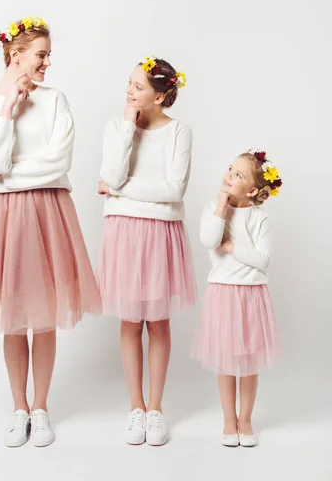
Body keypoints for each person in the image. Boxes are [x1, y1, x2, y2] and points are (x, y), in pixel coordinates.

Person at [0, 17, 101, 447]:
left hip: (48, 214)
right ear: (16, 55)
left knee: (44, 316)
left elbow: (59, 164)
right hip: (3, 220)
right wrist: (6, 111)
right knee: (14, 318)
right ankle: (20, 408)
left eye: (49, 55)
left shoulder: (56, 100)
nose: (47, 63)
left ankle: (41, 406)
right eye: (41, 55)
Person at [97, 56, 196, 446]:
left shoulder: (179, 132)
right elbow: (115, 170)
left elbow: (173, 191)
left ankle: (156, 408)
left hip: (160, 234)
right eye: (129, 83)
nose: (129, 91)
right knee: (130, 320)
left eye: (138, 87)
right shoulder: (116, 127)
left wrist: (118, 190)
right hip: (124, 230)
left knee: (157, 321)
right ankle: (135, 407)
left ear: (160, 96)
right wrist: (126, 128)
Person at [191, 150, 281, 447]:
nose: (229, 175)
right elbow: (209, 239)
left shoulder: (258, 218)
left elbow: (263, 259)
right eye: (230, 169)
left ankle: (246, 419)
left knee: (249, 363)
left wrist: (232, 249)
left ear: (253, 190)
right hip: (223, 293)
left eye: (238, 175)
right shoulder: (213, 210)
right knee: (227, 363)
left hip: (252, 295)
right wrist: (220, 207)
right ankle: (229, 419)